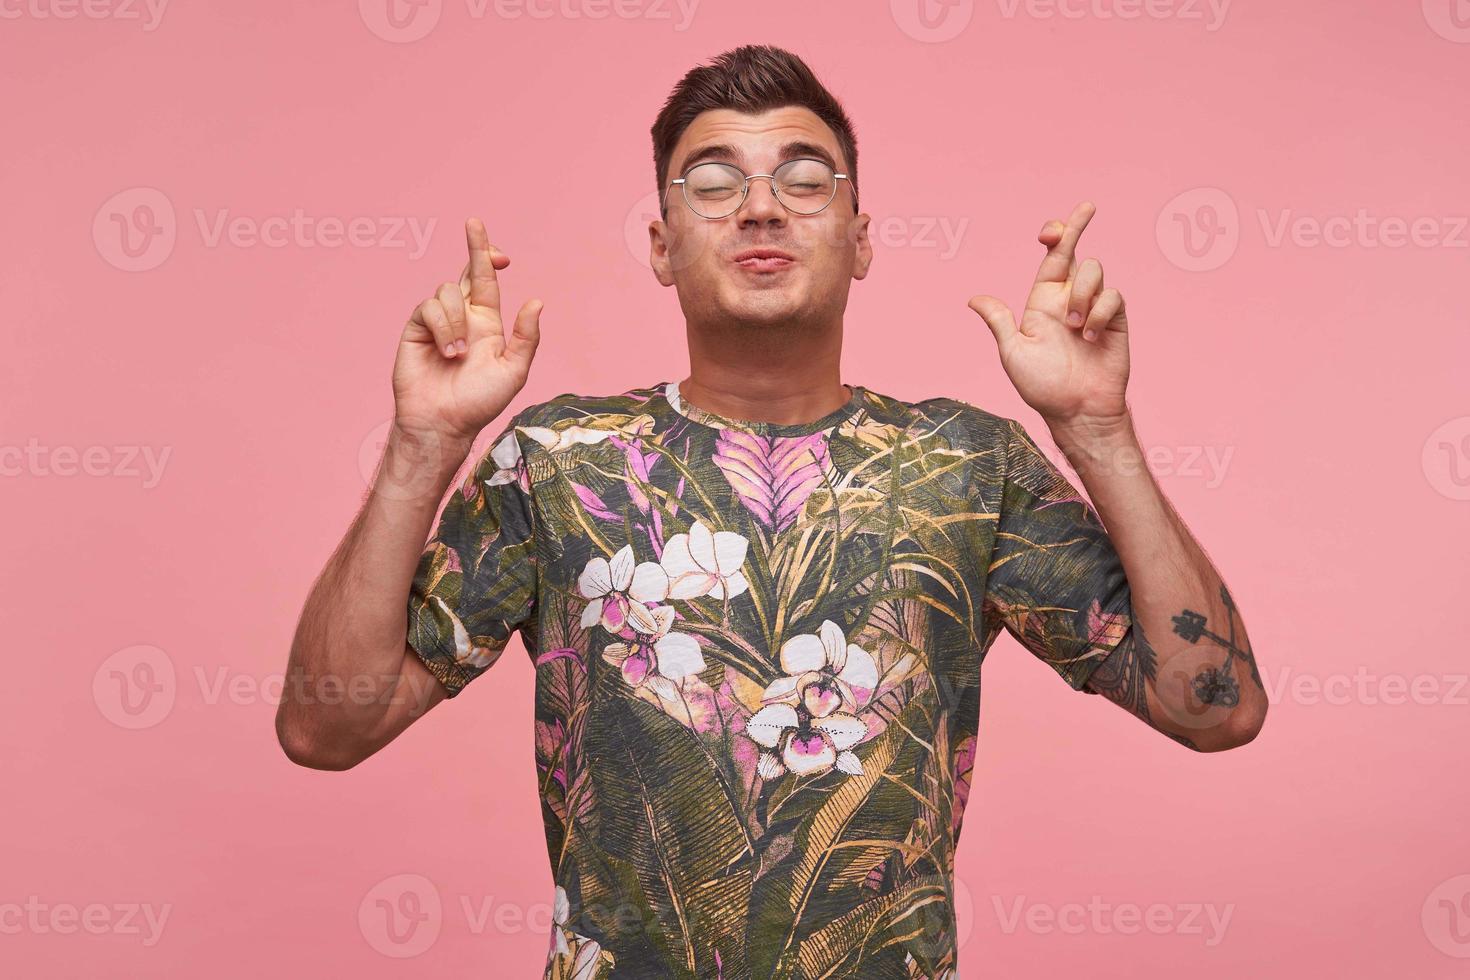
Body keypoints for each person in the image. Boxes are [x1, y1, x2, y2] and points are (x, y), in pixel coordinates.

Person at [276, 44, 1266, 980]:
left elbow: (1211, 705)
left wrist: (1097, 428)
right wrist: (424, 444)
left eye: (805, 178)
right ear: (662, 246)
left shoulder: (964, 464)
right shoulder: (561, 462)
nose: (759, 207)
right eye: (712, 180)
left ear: (862, 237)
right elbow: (327, 727)